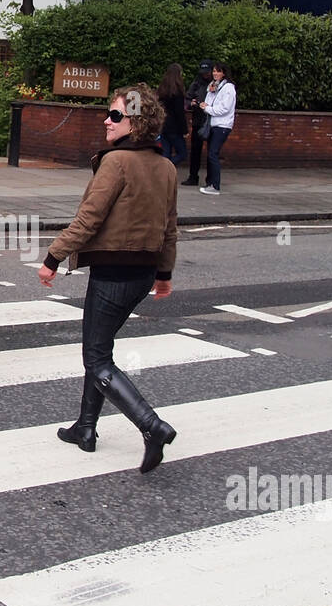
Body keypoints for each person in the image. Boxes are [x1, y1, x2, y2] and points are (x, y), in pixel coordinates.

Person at [38, 83, 178, 473]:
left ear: (135, 123)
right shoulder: (166, 167)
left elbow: (89, 218)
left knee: (97, 358)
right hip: (143, 273)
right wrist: (164, 274)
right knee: (100, 349)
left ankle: (152, 427)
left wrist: (53, 256)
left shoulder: (116, 162)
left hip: (113, 273)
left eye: (115, 116)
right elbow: (170, 229)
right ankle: (85, 428)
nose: (107, 120)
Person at [198, 59, 236, 195]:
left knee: (213, 153)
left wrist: (208, 108)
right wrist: (210, 94)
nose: (215, 73)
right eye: (214, 71)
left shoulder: (229, 89)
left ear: (224, 73)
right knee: (211, 154)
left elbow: (224, 108)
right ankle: (210, 183)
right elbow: (209, 103)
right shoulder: (215, 87)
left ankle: (215, 186)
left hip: (222, 125)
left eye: (218, 71)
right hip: (213, 124)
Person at [182, 59, 213, 186]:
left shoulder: (216, 85)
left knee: (212, 152)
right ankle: (193, 176)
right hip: (198, 120)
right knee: (195, 151)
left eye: (207, 72)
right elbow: (187, 99)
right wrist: (191, 104)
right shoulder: (196, 84)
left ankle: (210, 179)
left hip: (211, 120)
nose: (205, 75)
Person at [157, 62, 188, 166]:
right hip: (174, 127)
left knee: (166, 153)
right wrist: (185, 130)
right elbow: (179, 113)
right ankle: (166, 169)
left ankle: (162, 176)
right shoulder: (177, 92)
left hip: (163, 125)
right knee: (182, 153)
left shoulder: (162, 90)